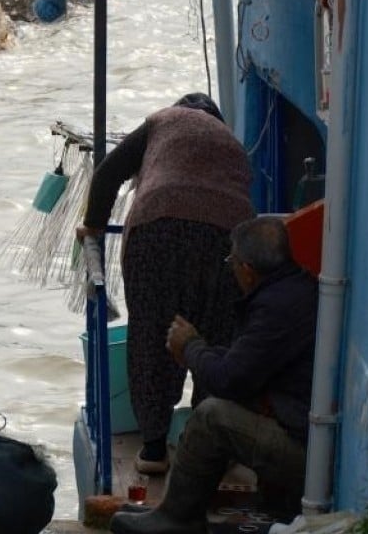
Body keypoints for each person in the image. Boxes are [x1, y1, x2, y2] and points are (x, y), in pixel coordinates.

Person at [76, 93, 253, 474]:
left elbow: (109, 171)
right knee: (217, 337)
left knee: (151, 334)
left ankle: (154, 451)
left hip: (158, 227)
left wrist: (93, 224)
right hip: (227, 239)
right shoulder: (232, 143)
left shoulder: (163, 120)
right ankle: (208, 450)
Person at [109, 216, 319, 534]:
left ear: (246, 270)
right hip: (303, 431)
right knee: (218, 402)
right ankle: (176, 509)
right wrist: (200, 351)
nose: (230, 269)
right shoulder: (293, 290)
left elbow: (228, 380)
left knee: (212, 416)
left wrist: (191, 346)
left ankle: (177, 519)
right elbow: (242, 364)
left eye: (231, 261)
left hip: (305, 453)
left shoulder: (276, 308)